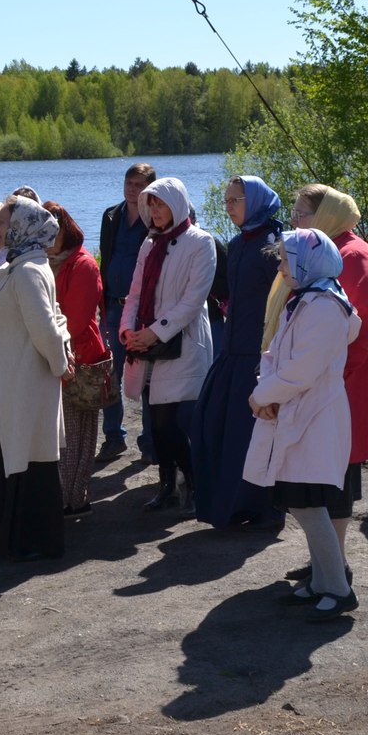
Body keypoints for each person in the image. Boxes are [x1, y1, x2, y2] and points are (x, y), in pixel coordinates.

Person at [265, 185, 368, 582]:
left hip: (344, 385)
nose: (296, 222)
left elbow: (360, 330)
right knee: (319, 478)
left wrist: (328, 381)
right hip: (329, 382)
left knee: (332, 479)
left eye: (303, 214)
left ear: (326, 215)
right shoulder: (320, 252)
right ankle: (325, 563)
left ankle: (335, 569)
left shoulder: (350, 256)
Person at [244, 228, 361, 622]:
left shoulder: (326, 306)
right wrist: (269, 392)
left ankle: (339, 589)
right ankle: (324, 580)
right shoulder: (308, 300)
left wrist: (264, 396)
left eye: (285, 259)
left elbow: (303, 369)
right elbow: (276, 354)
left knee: (308, 503)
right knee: (302, 501)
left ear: (307, 261)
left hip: (315, 416)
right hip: (297, 412)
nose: (280, 266)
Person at [191, 175, 285, 529]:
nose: (228, 206)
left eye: (236, 200)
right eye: (227, 200)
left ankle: (263, 506)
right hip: (232, 349)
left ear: (256, 201)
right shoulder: (238, 242)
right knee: (215, 426)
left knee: (251, 434)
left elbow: (280, 303)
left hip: (258, 353)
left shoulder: (273, 245)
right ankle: (229, 504)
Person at [0, 196, 72, 561]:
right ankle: (18, 535)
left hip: (26, 381)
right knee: (22, 455)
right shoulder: (20, 265)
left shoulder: (29, 270)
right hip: (15, 378)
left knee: (30, 457)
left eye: (5, 222)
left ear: (22, 227)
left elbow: (46, 327)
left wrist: (60, 362)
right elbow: (55, 318)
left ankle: (33, 540)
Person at [121, 178, 215, 515]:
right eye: (151, 205)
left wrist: (155, 332)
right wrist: (128, 331)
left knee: (166, 421)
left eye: (159, 204)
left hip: (182, 344)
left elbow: (193, 300)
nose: (154, 211)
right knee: (154, 419)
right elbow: (135, 293)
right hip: (148, 345)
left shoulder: (201, 242)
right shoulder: (150, 243)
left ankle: (191, 483)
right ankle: (167, 487)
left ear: (176, 204)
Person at [44, 200, 107, 515]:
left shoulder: (83, 265)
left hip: (80, 357)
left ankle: (73, 496)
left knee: (77, 432)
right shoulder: (47, 262)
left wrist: (49, 343)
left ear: (64, 230)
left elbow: (78, 320)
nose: (46, 239)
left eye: (51, 232)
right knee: (62, 433)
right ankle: (65, 495)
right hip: (57, 354)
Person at [96, 163, 155, 463]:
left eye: (139, 184)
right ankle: (114, 437)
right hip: (112, 306)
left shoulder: (156, 219)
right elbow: (106, 258)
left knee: (146, 377)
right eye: (128, 183)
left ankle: (149, 442)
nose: (132, 189)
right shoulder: (111, 216)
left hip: (144, 310)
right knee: (109, 373)